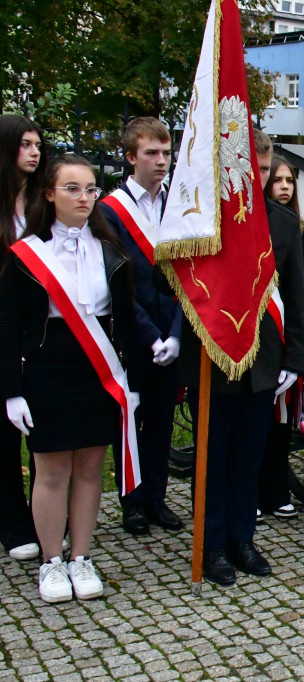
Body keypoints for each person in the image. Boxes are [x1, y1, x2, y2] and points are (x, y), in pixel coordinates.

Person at [0, 155, 142, 603]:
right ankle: (50, 561)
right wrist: (11, 391)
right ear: (48, 194)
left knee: (88, 469)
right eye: (72, 188)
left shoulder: (111, 252)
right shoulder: (25, 256)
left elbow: (126, 324)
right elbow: (5, 326)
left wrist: (132, 384)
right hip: (46, 370)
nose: (84, 197)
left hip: (97, 373)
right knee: (51, 470)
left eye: (90, 189)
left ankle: (80, 556)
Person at [175, 129, 304, 585]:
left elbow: (297, 294)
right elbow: (164, 280)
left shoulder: (284, 224)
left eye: (267, 171)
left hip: (263, 360)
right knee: (213, 457)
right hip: (212, 357)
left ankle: (241, 537)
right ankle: (210, 543)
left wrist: (295, 356)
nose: (262, 177)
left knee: (250, 455)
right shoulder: (202, 219)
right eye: (254, 169)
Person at [99, 117, 183, 536]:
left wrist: (177, 334)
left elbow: (190, 277)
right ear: (131, 156)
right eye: (151, 153)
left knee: (162, 420)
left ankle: (156, 498)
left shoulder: (178, 205)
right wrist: (151, 337)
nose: (161, 161)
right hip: (134, 336)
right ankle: (131, 502)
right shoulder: (109, 211)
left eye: (167, 153)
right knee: (130, 421)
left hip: (175, 331)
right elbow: (119, 283)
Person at [256, 155, 304, 521]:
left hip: (287, 336)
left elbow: (302, 290)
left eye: (289, 180)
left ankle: (276, 490)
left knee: (281, 422)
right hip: (260, 336)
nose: (283, 186)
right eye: (275, 178)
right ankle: (253, 490)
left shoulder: (299, 228)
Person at [0, 114, 45, 562]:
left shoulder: (38, 205)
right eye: (25, 145)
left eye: (37, 145)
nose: (33, 152)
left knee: (40, 429)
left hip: (35, 332)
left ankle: (41, 515)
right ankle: (12, 522)